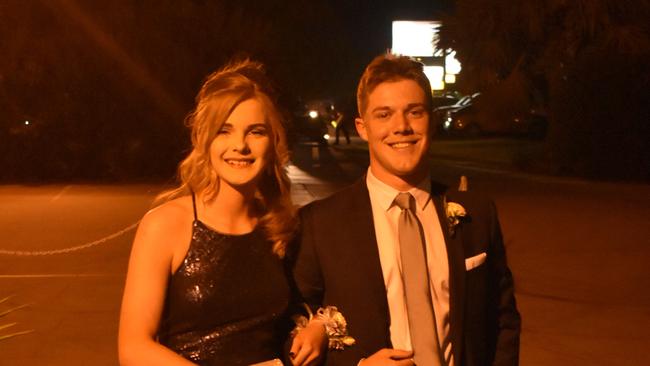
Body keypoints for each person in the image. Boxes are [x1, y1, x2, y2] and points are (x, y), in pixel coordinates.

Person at [292, 54, 521, 365]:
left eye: (414, 112)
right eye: (384, 115)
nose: (401, 127)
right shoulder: (321, 224)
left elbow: (502, 321)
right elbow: (290, 335)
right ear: (362, 127)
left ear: (432, 120)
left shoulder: (478, 214)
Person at [118, 59, 325, 365]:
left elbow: (296, 315)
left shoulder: (280, 226)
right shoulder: (165, 225)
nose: (239, 145)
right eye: (224, 131)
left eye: (255, 132)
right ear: (205, 139)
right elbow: (134, 348)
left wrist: (318, 327)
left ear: (273, 142)